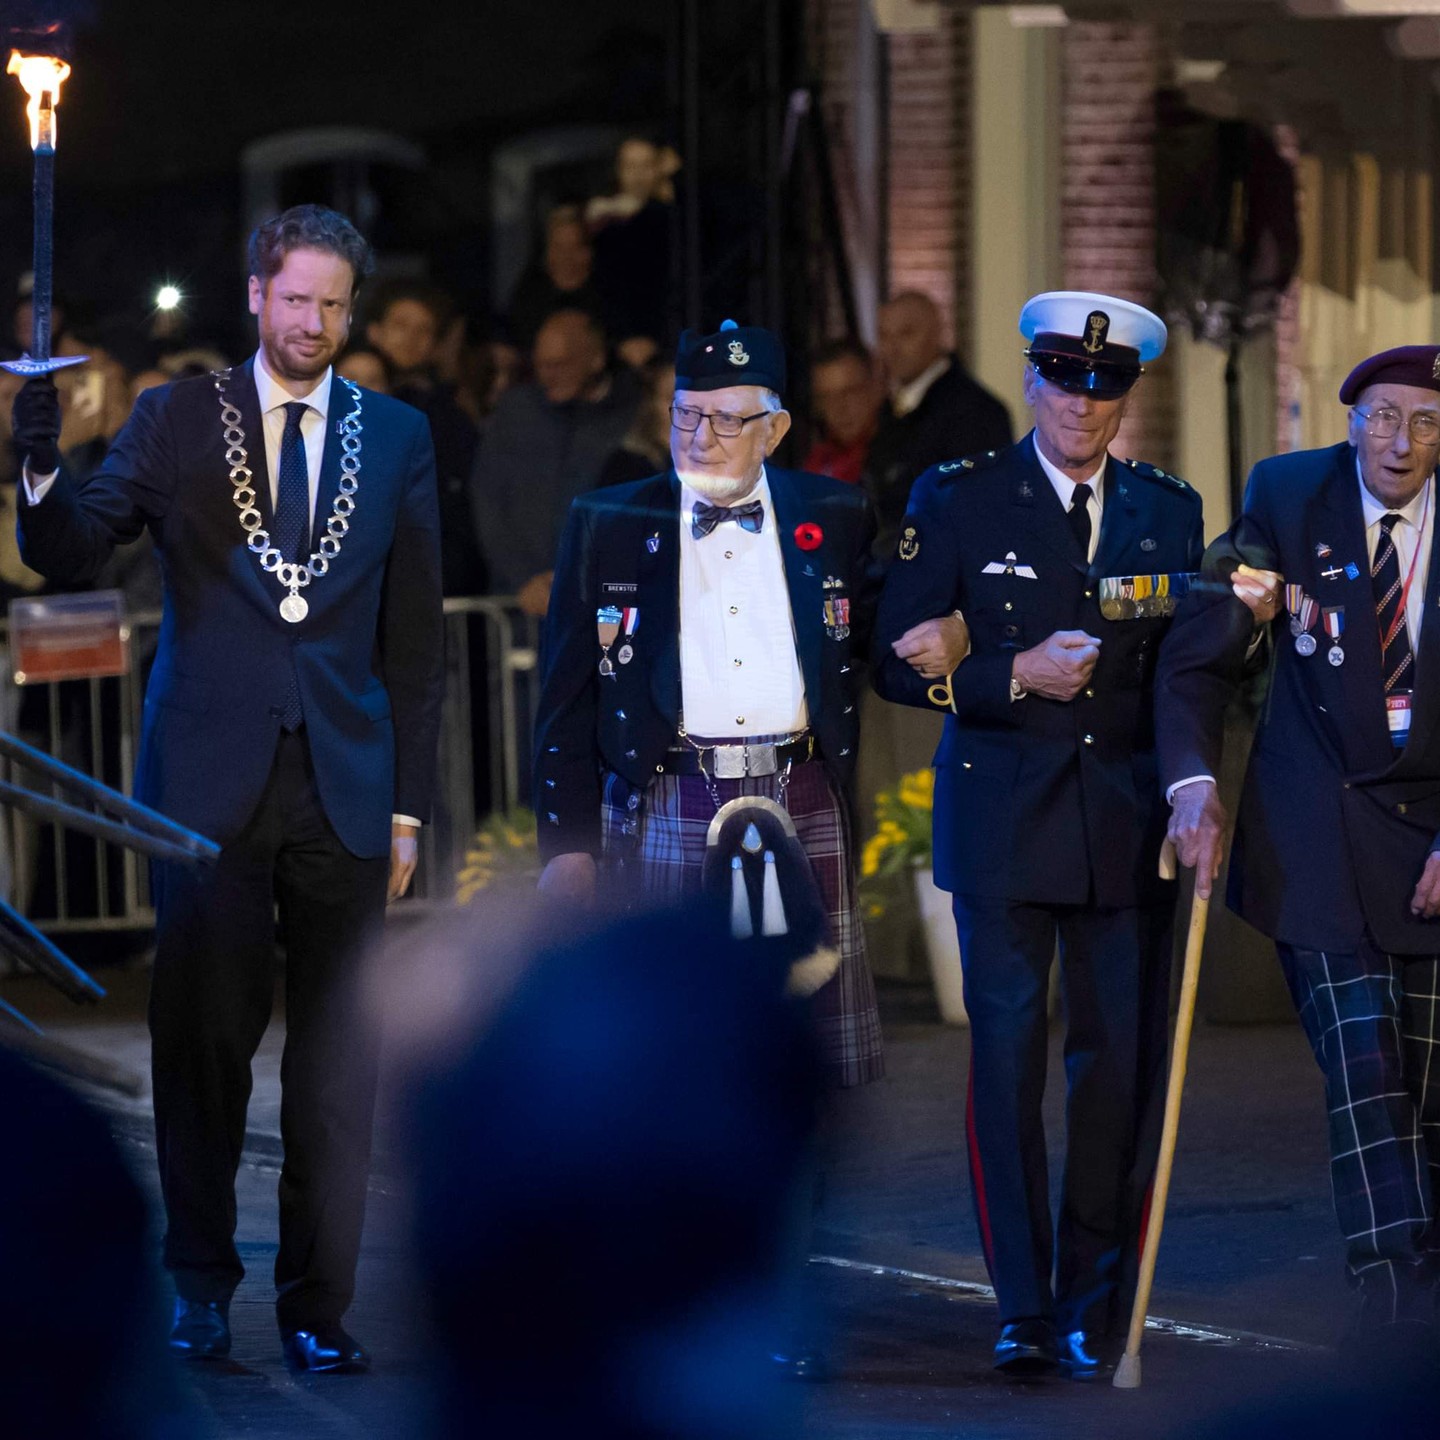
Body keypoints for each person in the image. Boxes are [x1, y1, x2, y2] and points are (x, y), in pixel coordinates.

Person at [8, 203, 445, 1374]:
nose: (313, 322)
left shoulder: (396, 434)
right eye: (295, 298)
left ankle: (319, 1304)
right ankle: (199, 1286)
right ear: (255, 295)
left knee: (340, 1058)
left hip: (347, 788)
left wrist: (410, 806)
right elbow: (72, 550)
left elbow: (415, 645)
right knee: (201, 1041)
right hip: (205, 789)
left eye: (333, 304)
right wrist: (42, 464)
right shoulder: (176, 418)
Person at [872, 291, 1277, 1380]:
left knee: (1116, 1073)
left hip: (1120, 824)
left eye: (1105, 388)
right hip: (1004, 820)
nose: (1082, 405)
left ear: (1124, 398)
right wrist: (1009, 673)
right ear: (1034, 382)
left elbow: (1185, 670)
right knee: (1006, 1067)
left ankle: (1098, 1294)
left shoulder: (1164, 508)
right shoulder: (958, 498)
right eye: (1063, 381)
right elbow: (888, 656)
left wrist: (1244, 627)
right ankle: (1026, 1304)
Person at [1158, 345, 1440, 1337]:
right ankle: (1392, 1300)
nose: (1400, 441)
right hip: (1315, 833)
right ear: (1350, 416)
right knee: (1365, 1069)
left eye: (1425, 422)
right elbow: (1204, 646)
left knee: (1430, 1088)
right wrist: (1191, 782)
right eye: (1383, 416)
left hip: (1431, 836)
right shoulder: (1287, 493)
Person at [469, 307, 639, 616]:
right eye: (541, 365)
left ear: (596, 359)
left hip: (601, 601)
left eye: (560, 365)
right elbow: (488, 499)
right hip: (520, 601)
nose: (547, 375)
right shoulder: (516, 411)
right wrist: (524, 579)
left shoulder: (632, 414)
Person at [865, 291, 1013, 557]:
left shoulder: (974, 411)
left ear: (936, 334)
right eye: (884, 336)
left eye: (906, 333)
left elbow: (975, 509)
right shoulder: (890, 408)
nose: (893, 348)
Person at [365, 281, 483, 597]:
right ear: (375, 332)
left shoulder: (450, 416)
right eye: (400, 326)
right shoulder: (342, 393)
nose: (411, 339)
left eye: (424, 330)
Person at [802, 337, 885, 486]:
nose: (839, 408)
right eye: (827, 398)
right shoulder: (815, 466)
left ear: (876, 388)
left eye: (850, 392)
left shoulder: (903, 457)